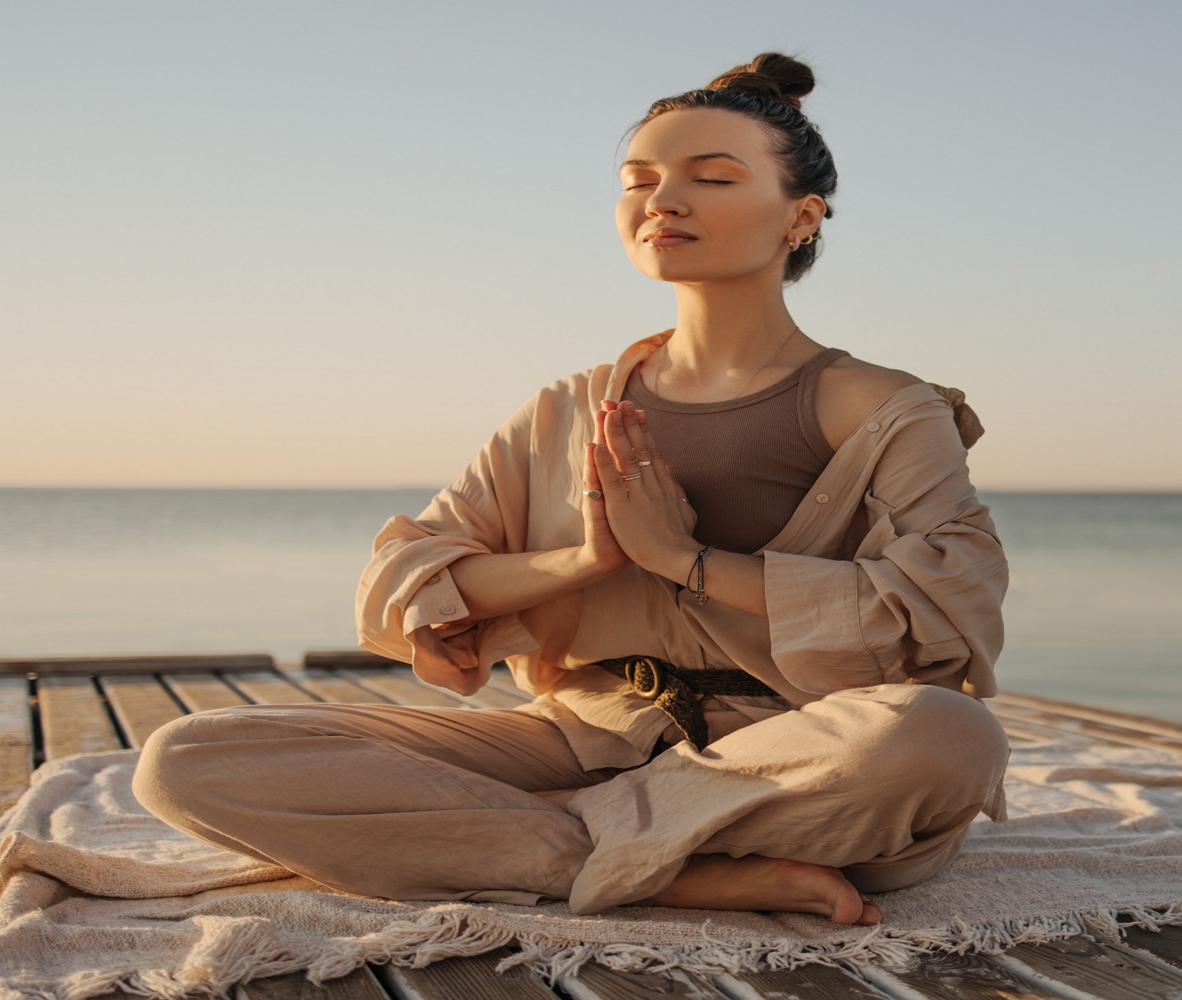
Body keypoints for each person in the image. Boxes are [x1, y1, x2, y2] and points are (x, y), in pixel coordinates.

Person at [134, 53, 1011, 926]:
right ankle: (667, 861)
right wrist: (586, 559)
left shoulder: (886, 407)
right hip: (586, 735)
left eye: (711, 177)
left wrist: (683, 559)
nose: (661, 200)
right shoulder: (571, 407)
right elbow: (409, 576)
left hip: (796, 753)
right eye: (639, 180)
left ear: (801, 218)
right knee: (191, 757)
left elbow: (939, 609)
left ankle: (543, 845)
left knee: (944, 736)